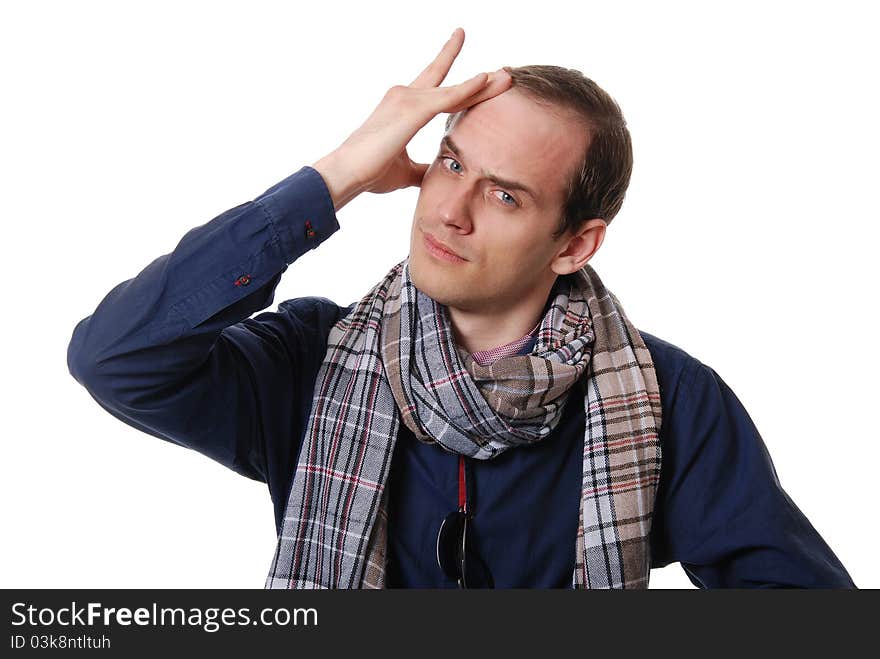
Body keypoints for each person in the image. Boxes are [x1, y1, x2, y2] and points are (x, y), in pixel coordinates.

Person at [66, 28, 855, 589]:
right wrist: (335, 174)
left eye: (504, 193)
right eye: (451, 162)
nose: (450, 210)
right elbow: (116, 359)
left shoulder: (669, 399)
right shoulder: (311, 358)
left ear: (574, 245)